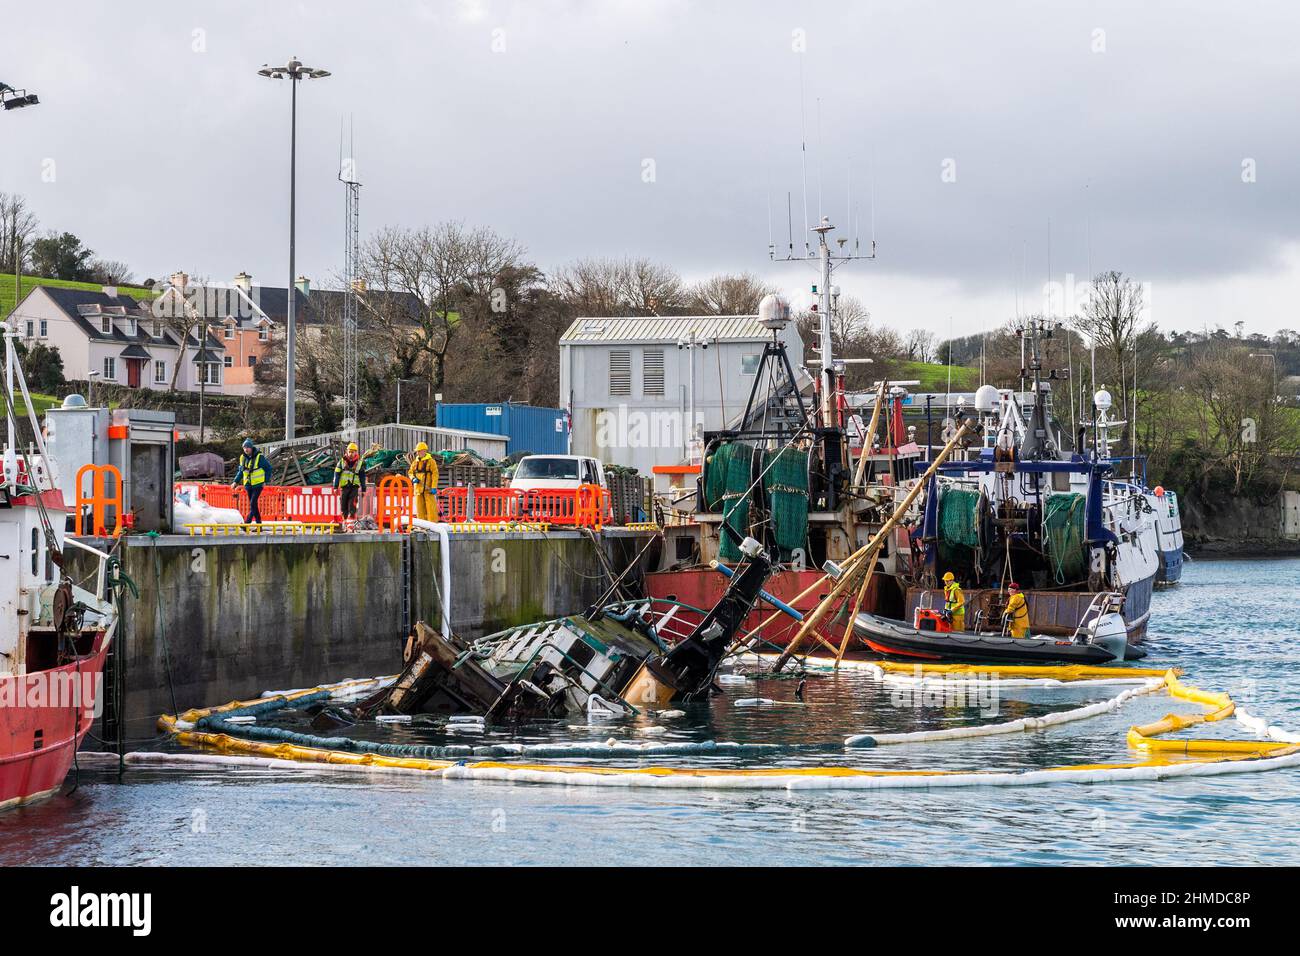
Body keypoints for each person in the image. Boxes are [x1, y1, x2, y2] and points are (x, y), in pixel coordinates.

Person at [231, 438, 270, 524]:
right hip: (248, 485)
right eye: (244, 447)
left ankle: (247, 523)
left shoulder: (260, 457)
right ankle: (259, 525)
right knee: (253, 505)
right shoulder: (242, 458)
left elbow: (268, 468)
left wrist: (265, 481)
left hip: (258, 484)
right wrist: (235, 481)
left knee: (252, 503)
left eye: (248, 447)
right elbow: (241, 471)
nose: (246, 449)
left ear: (251, 448)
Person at [333, 442, 367, 526]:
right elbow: (336, 474)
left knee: (352, 504)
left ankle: (351, 522)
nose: (351, 454)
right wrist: (335, 487)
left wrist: (363, 489)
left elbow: (362, 477)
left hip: (354, 487)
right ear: (347, 452)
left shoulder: (359, 463)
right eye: (349, 451)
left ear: (356, 452)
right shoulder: (341, 462)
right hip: (344, 487)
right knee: (343, 504)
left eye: (353, 452)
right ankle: (344, 520)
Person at [407, 441, 440, 521]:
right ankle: (422, 526)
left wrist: (434, 487)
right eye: (417, 451)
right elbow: (410, 472)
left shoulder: (431, 461)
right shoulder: (415, 462)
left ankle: (432, 525)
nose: (418, 453)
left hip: (428, 489)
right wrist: (413, 478)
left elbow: (435, 474)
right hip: (418, 489)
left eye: (419, 451)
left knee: (431, 508)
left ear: (424, 451)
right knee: (419, 509)